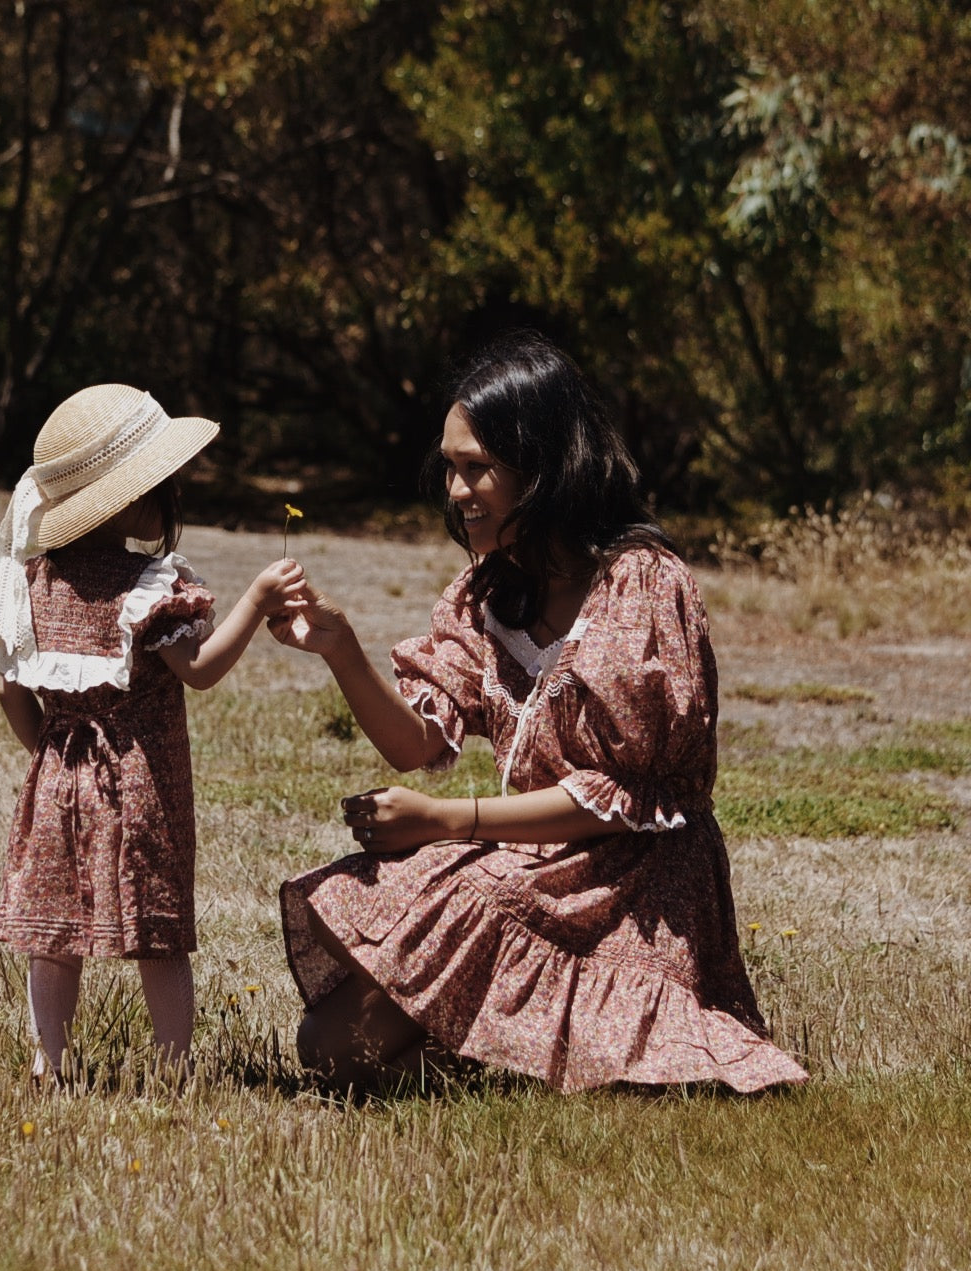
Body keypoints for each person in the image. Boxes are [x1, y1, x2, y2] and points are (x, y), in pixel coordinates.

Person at [273, 333, 807, 1096]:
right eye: (450, 468)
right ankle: (503, 1065)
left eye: (476, 468)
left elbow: (633, 801)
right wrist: (340, 649)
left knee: (625, 1070)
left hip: (637, 881)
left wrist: (447, 822)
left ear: (543, 468)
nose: (456, 492)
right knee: (330, 1045)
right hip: (531, 858)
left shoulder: (641, 586)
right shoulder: (486, 594)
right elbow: (419, 743)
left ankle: (543, 1061)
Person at [0, 383, 305, 1082]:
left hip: (58, 774)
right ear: (133, 498)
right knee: (155, 930)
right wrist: (253, 602)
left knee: (53, 928)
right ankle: (174, 1067)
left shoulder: (34, 583)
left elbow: (11, 689)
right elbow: (199, 670)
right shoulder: (152, 585)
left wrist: (47, 751)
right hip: (140, 782)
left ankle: (50, 1060)